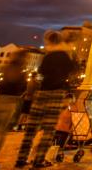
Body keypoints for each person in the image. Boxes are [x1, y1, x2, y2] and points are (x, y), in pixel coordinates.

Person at [15, 31, 76, 169]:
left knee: (31, 130)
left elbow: (42, 71)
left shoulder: (48, 56)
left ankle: (21, 159)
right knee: (48, 130)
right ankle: (38, 160)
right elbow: (71, 70)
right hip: (56, 95)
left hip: (42, 93)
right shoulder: (65, 57)